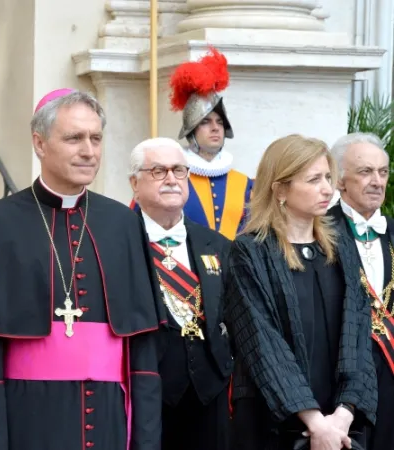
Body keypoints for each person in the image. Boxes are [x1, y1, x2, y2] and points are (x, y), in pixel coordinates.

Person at [0, 88, 165, 450]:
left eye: (96, 138)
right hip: (27, 420)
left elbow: (143, 357)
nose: (89, 150)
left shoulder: (123, 224)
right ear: (39, 143)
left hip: (109, 421)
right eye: (74, 138)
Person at [224, 134, 377, 450]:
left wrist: (343, 414)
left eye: (328, 178)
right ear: (280, 189)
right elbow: (261, 342)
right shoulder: (250, 252)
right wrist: (314, 422)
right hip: (273, 425)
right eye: (314, 179)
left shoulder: (341, 248)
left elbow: (360, 335)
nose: (328, 189)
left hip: (339, 426)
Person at [128, 137, 233, 450]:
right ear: (135, 183)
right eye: (158, 171)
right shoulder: (120, 240)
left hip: (211, 393)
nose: (172, 179)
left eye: (179, 170)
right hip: (148, 390)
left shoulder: (217, 244)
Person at [327, 132, 393, 450]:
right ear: (340, 181)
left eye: (383, 172)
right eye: (365, 172)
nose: (377, 181)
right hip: (343, 381)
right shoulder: (320, 231)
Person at [165, 47, 253, 240]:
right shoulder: (170, 179)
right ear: (192, 131)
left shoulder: (246, 185)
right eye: (205, 122)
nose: (215, 128)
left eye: (219, 122)